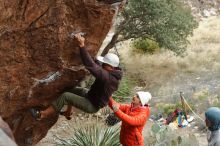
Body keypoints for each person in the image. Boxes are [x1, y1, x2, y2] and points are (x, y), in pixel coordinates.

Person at [30, 33, 122, 120]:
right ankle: (68, 112)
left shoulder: (109, 79)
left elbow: (92, 67)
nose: (102, 65)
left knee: (66, 96)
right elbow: (97, 66)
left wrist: (82, 46)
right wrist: (92, 57)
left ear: (111, 67)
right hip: (90, 96)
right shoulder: (111, 73)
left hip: (92, 105)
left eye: (104, 64)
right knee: (70, 89)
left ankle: (42, 115)